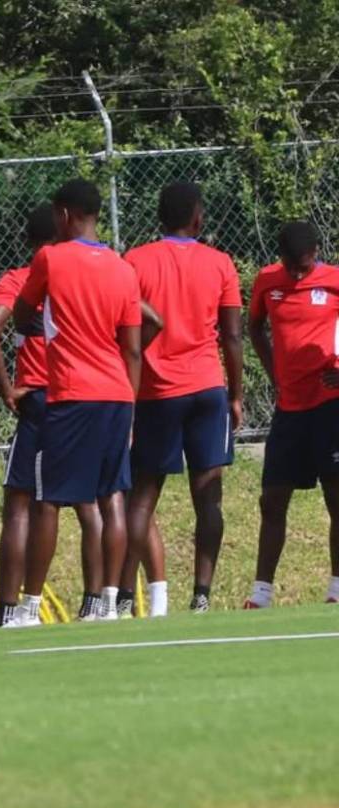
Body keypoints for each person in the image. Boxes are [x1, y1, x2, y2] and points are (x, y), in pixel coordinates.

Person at [13, 179, 142, 623]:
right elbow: (133, 348)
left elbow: (22, 309)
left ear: (64, 215)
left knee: (47, 500)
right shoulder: (123, 268)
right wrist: (131, 409)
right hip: (118, 394)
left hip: (72, 392)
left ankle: (28, 607)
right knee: (112, 497)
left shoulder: (50, 257)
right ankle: (108, 602)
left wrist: (39, 327)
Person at [121, 181, 243, 616]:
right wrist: (236, 393)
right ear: (198, 216)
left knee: (141, 497)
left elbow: (127, 326)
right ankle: (202, 594)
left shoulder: (135, 260)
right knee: (208, 498)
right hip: (208, 389)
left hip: (156, 392)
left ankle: (121, 594)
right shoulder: (221, 263)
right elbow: (231, 334)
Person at [0, 203, 105, 627]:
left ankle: (10, 610)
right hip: (87, 395)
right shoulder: (83, 277)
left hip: (41, 399)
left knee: (21, 505)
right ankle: (96, 603)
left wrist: (6, 389)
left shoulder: (19, 279)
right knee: (90, 502)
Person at [247, 221, 339, 609]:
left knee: (336, 498)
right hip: (290, 409)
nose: (298, 273)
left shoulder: (334, 280)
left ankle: (336, 590)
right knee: (272, 500)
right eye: (292, 265)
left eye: (304, 265)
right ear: (280, 257)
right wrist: (274, 373)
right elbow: (253, 328)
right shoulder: (267, 282)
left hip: (330, 406)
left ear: (316, 252)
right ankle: (260, 595)